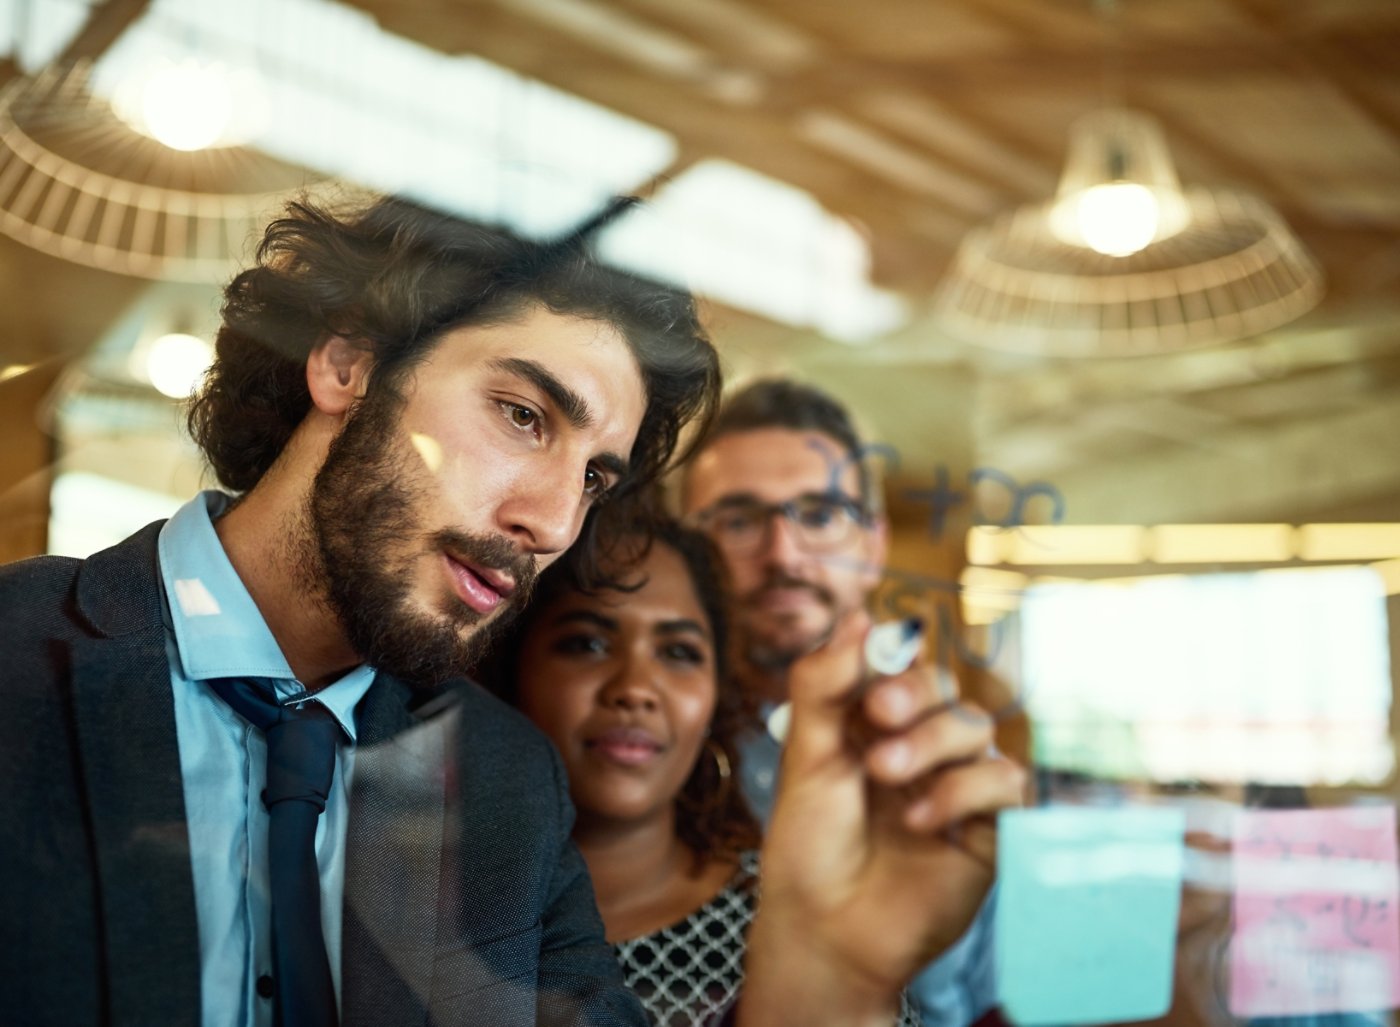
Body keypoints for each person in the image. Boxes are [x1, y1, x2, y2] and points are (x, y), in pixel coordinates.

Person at [0, 195, 1021, 1027]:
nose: (550, 522)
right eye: (522, 415)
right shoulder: (16, 660)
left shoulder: (498, 775)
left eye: (594, 477)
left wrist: (819, 970)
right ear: (348, 365)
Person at [479, 514, 922, 1026]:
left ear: (717, 699)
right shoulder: (428, 905)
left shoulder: (801, 927)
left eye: (679, 652)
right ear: (509, 668)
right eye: (588, 643)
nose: (636, 688)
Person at [680, 378, 1002, 1027]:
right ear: (686, 548)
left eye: (821, 515)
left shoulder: (946, 767)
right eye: (739, 520)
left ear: (874, 545)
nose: (783, 554)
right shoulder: (643, 761)